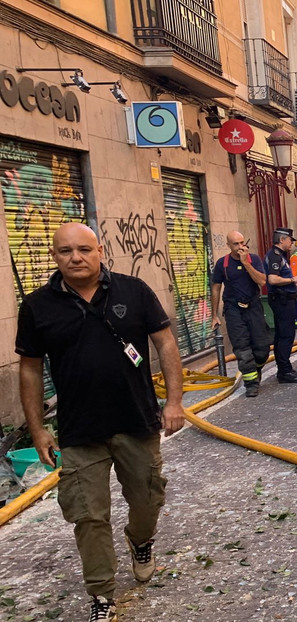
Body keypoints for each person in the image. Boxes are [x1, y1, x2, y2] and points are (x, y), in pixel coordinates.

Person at [16, 223, 186, 622]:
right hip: (78, 431)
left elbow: (165, 342)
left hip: (136, 420)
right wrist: (39, 428)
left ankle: (140, 541)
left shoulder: (134, 291)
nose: (75, 257)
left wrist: (175, 401)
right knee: (88, 517)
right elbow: (29, 369)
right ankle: (103, 596)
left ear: (100, 251)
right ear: (54, 256)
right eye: (65, 251)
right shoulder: (38, 306)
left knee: (147, 500)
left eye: (83, 249)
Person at [210, 231, 271, 397]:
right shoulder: (223, 263)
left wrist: (246, 264)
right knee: (242, 348)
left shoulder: (254, 259)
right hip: (233, 309)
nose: (240, 247)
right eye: (236, 244)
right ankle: (251, 384)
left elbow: (262, 281)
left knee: (262, 348)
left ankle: (255, 369)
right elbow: (215, 288)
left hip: (253, 306)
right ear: (229, 246)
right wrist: (214, 314)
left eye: (242, 243)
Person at [264, 227, 297, 383]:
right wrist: (292, 280)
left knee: (285, 335)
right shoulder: (275, 256)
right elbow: (273, 280)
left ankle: (285, 368)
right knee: (285, 336)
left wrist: (295, 285)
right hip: (281, 300)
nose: (292, 243)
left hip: (286, 298)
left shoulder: (280, 256)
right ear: (282, 240)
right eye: (290, 240)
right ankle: (284, 371)